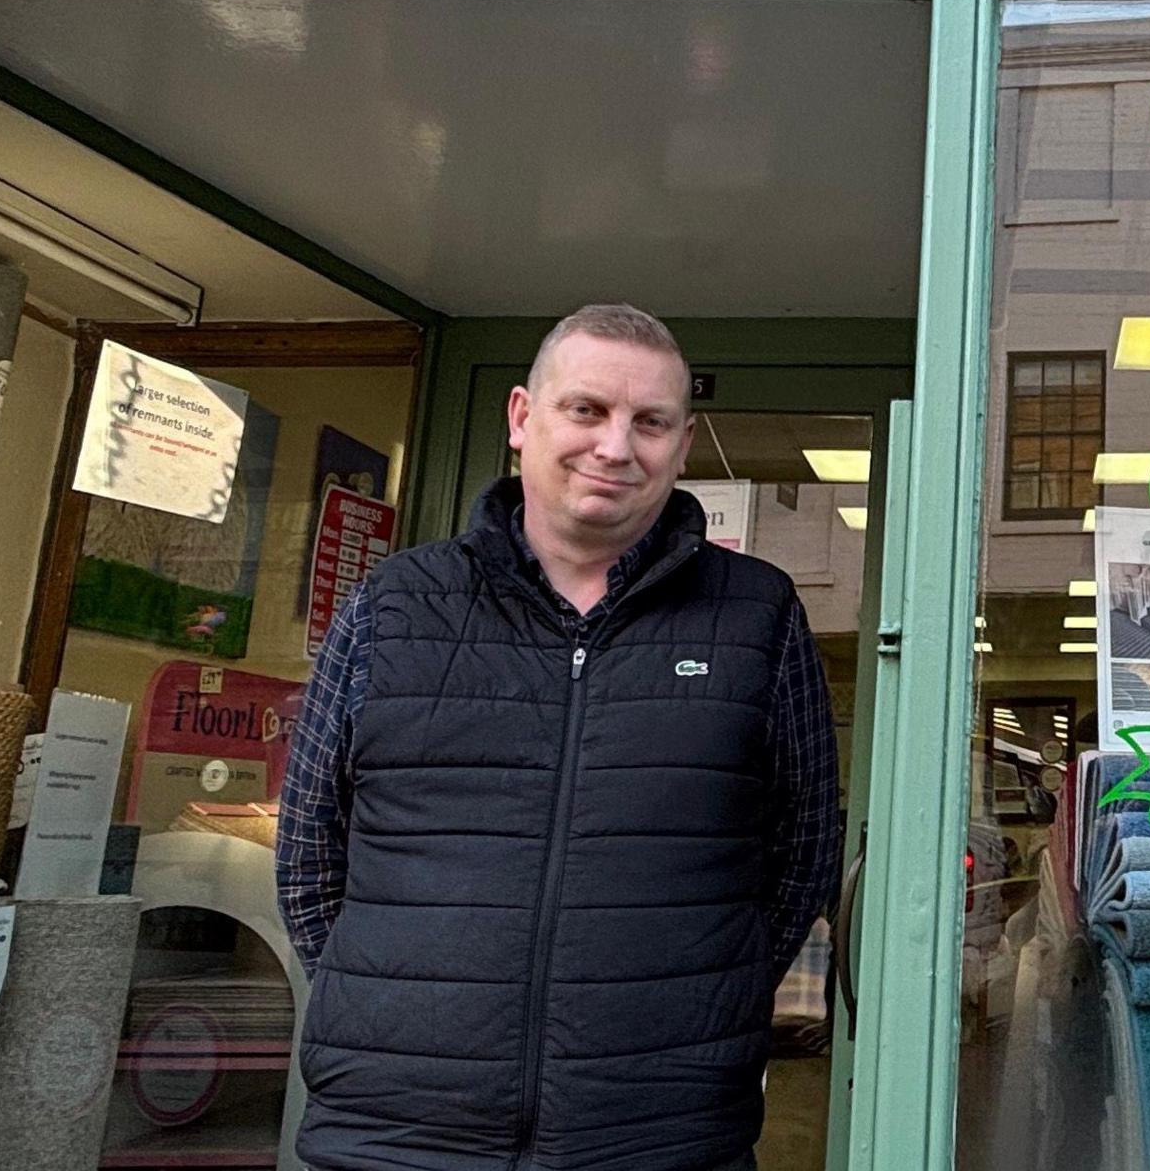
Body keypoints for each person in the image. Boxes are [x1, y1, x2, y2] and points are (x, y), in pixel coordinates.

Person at [279, 303, 841, 1171]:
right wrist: (401, 1005)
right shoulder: (392, 606)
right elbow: (310, 849)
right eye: (587, 410)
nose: (616, 446)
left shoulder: (756, 616)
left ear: (682, 445)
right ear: (520, 418)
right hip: (396, 1133)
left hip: (661, 1133)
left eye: (649, 422)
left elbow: (801, 849)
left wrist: (702, 998)